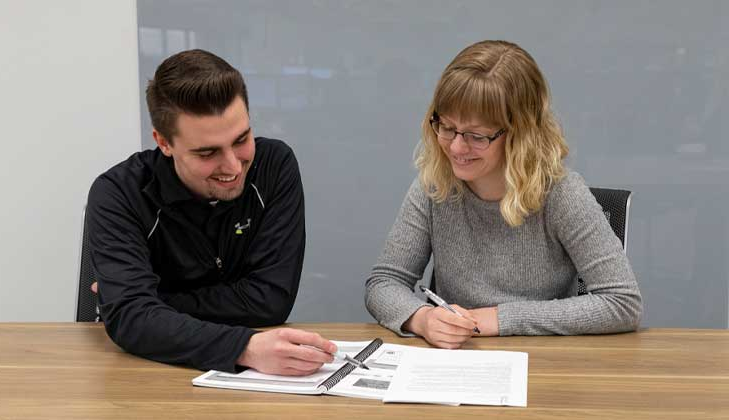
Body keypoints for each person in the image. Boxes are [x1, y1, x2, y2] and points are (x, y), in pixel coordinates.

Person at [365, 40, 642, 349]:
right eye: (447, 127)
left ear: (520, 134)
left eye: (476, 136)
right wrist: (422, 318)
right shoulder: (433, 187)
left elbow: (622, 302)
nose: (456, 147)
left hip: (547, 365)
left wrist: (499, 318)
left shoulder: (563, 195)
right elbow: (383, 283)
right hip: (458, 363)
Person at [87, 49, 336, 375]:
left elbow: (270, 301)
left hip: (232, 378)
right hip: (144, 371)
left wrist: (150, 304)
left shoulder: (274, 166)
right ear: (163, 142)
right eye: (208, 153)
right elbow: (131, 321)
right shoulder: (118, 193)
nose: (233, 166)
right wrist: (244, 348)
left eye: (241, 139)